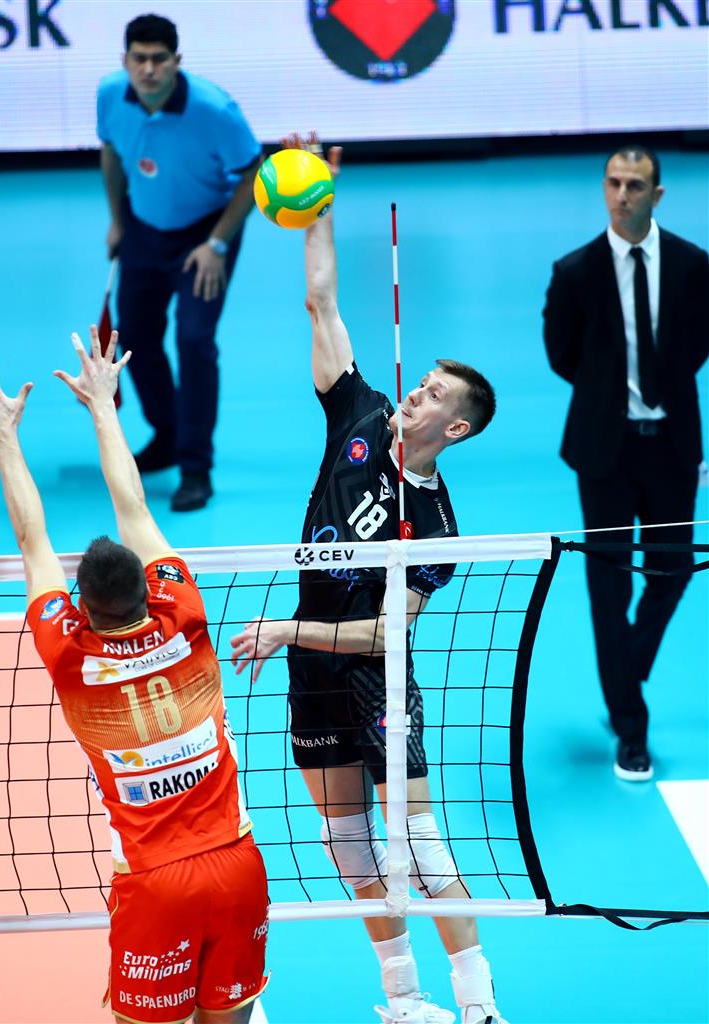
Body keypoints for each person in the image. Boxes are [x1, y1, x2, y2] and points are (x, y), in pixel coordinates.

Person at [229, 138, 505, 1024]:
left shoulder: (438, 529)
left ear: (455, 430)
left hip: (374, 678)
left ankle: (480, 1005)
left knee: (417, 843)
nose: (415, 396)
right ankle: (403, 999)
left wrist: (284, 631)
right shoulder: (358, 411)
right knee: (347, 844)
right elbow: (321, 300)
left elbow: (388, 636)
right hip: (311, 672)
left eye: (434, 396)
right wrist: (320, 202)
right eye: (419, 383)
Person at [0, 328, 268, 1024]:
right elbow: (136, 509)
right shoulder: (184, 615)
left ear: (83, 608)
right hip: (239, 864)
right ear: (148, 589)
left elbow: (32, 541)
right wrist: (102, 403)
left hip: (157, 884)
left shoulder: (69, 655)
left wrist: (4, 435)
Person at [543, 144, 709, 782]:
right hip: (604, 452)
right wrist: (608, 393)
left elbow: (698, 345)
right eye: (613, 183)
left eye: (635, 185)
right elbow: (562, 354)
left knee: (674, 570)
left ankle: (625, 667)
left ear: (656, 195)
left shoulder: (693, 265)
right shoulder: (575, 271)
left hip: (672, 446)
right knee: (608, 585)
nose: (622, 195)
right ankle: (631, 729)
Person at [98, 13, 262, 512]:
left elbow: (252, 174)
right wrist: (118, 221)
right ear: (125, 60)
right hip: (143, 227)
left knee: (193, 340)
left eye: (159, 59)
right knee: (135, 337)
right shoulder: (110, 94)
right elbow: (111, 153)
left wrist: (216, 245)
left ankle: (195, 468)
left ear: (177, 61)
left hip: (205, 232)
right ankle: (168, 434)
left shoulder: (215, 110)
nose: (148, 69)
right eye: (139, 59)